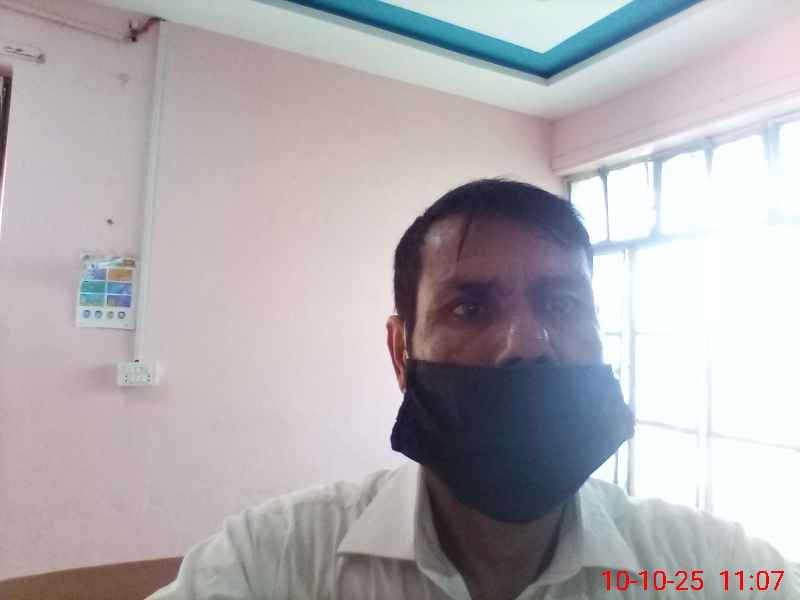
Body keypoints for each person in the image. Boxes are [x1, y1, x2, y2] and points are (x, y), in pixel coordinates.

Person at [148, 179, 798, 599]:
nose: (526, 343)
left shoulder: (704, 566)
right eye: (469, 308)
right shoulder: (276, 561)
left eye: (562, 304)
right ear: (401, 352)